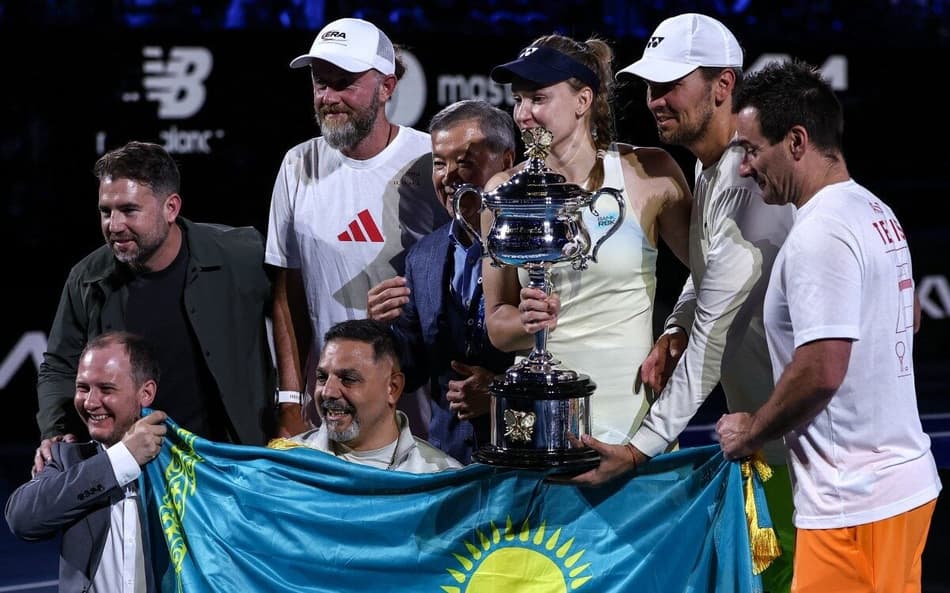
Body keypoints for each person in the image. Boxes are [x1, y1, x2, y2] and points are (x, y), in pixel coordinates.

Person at [566, 14, 796, 592]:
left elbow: (715, 331)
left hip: (805, 444)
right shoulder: (711, 164)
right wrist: (674, 328)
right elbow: (710, 273)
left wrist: (639, 450)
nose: (655, 99)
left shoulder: (749, 176)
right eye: (650, 85)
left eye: (672, 84)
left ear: (724, 85)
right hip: (771, 434)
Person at [716, 59, 941, 593]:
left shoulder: (821, 233)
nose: (745, 168)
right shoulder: (874, 210)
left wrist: (752, 431)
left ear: (796, 141)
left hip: (853, 507)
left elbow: (821, 369)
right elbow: (906, 319)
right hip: (894, 493)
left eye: (751, 149)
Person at [483, 34, 692, 445]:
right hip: (542, 424)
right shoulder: (503, 190)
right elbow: (497, 324)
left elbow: (712, 274)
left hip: (634, 426)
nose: (523, 115)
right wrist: (527, 322)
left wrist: (677, 329)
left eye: (538, 98)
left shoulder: (648, 173)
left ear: (583, 101)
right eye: (519, 100)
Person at [34, 141, 275, 473]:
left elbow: (299, 314)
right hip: (136, 470)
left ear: (171, 208)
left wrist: (292, 404)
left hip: (230, 467)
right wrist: (57, 432)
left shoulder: (242, 256)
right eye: (106, 211)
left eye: (129, 210)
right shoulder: (87, 278)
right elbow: (60, 366)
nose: (114, 225)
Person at [266, 17, 449, 438]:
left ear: (386, 87)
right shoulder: (298, 165)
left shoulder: (433, 161)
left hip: (421, 409)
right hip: (328, 407)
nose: (327, 97)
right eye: (319, 83)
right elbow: (287, 295)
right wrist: (290, 399)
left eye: (343, 83)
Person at [366, 100, 517, 464]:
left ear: (507, 162)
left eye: (465, 161)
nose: (449, 176)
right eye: (439, 162)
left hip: (527, 455)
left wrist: (502, 393)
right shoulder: (423, 257)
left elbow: (569, 347)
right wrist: (383, 331)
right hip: (448, 461)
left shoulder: (538, 247)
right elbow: (412, 369)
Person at [7, 331, 168, 593]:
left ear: (146, 393)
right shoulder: (66, 458)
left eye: (106, 388)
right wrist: (121, 460)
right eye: (83, 388)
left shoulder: (178, 466)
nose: (91, 402)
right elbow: (22, 519)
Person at [274, 319, 462, 473]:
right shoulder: (285, 468)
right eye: (322, 377)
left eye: (348, 378)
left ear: (392, 388)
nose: (328, 392)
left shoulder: (440, 479)